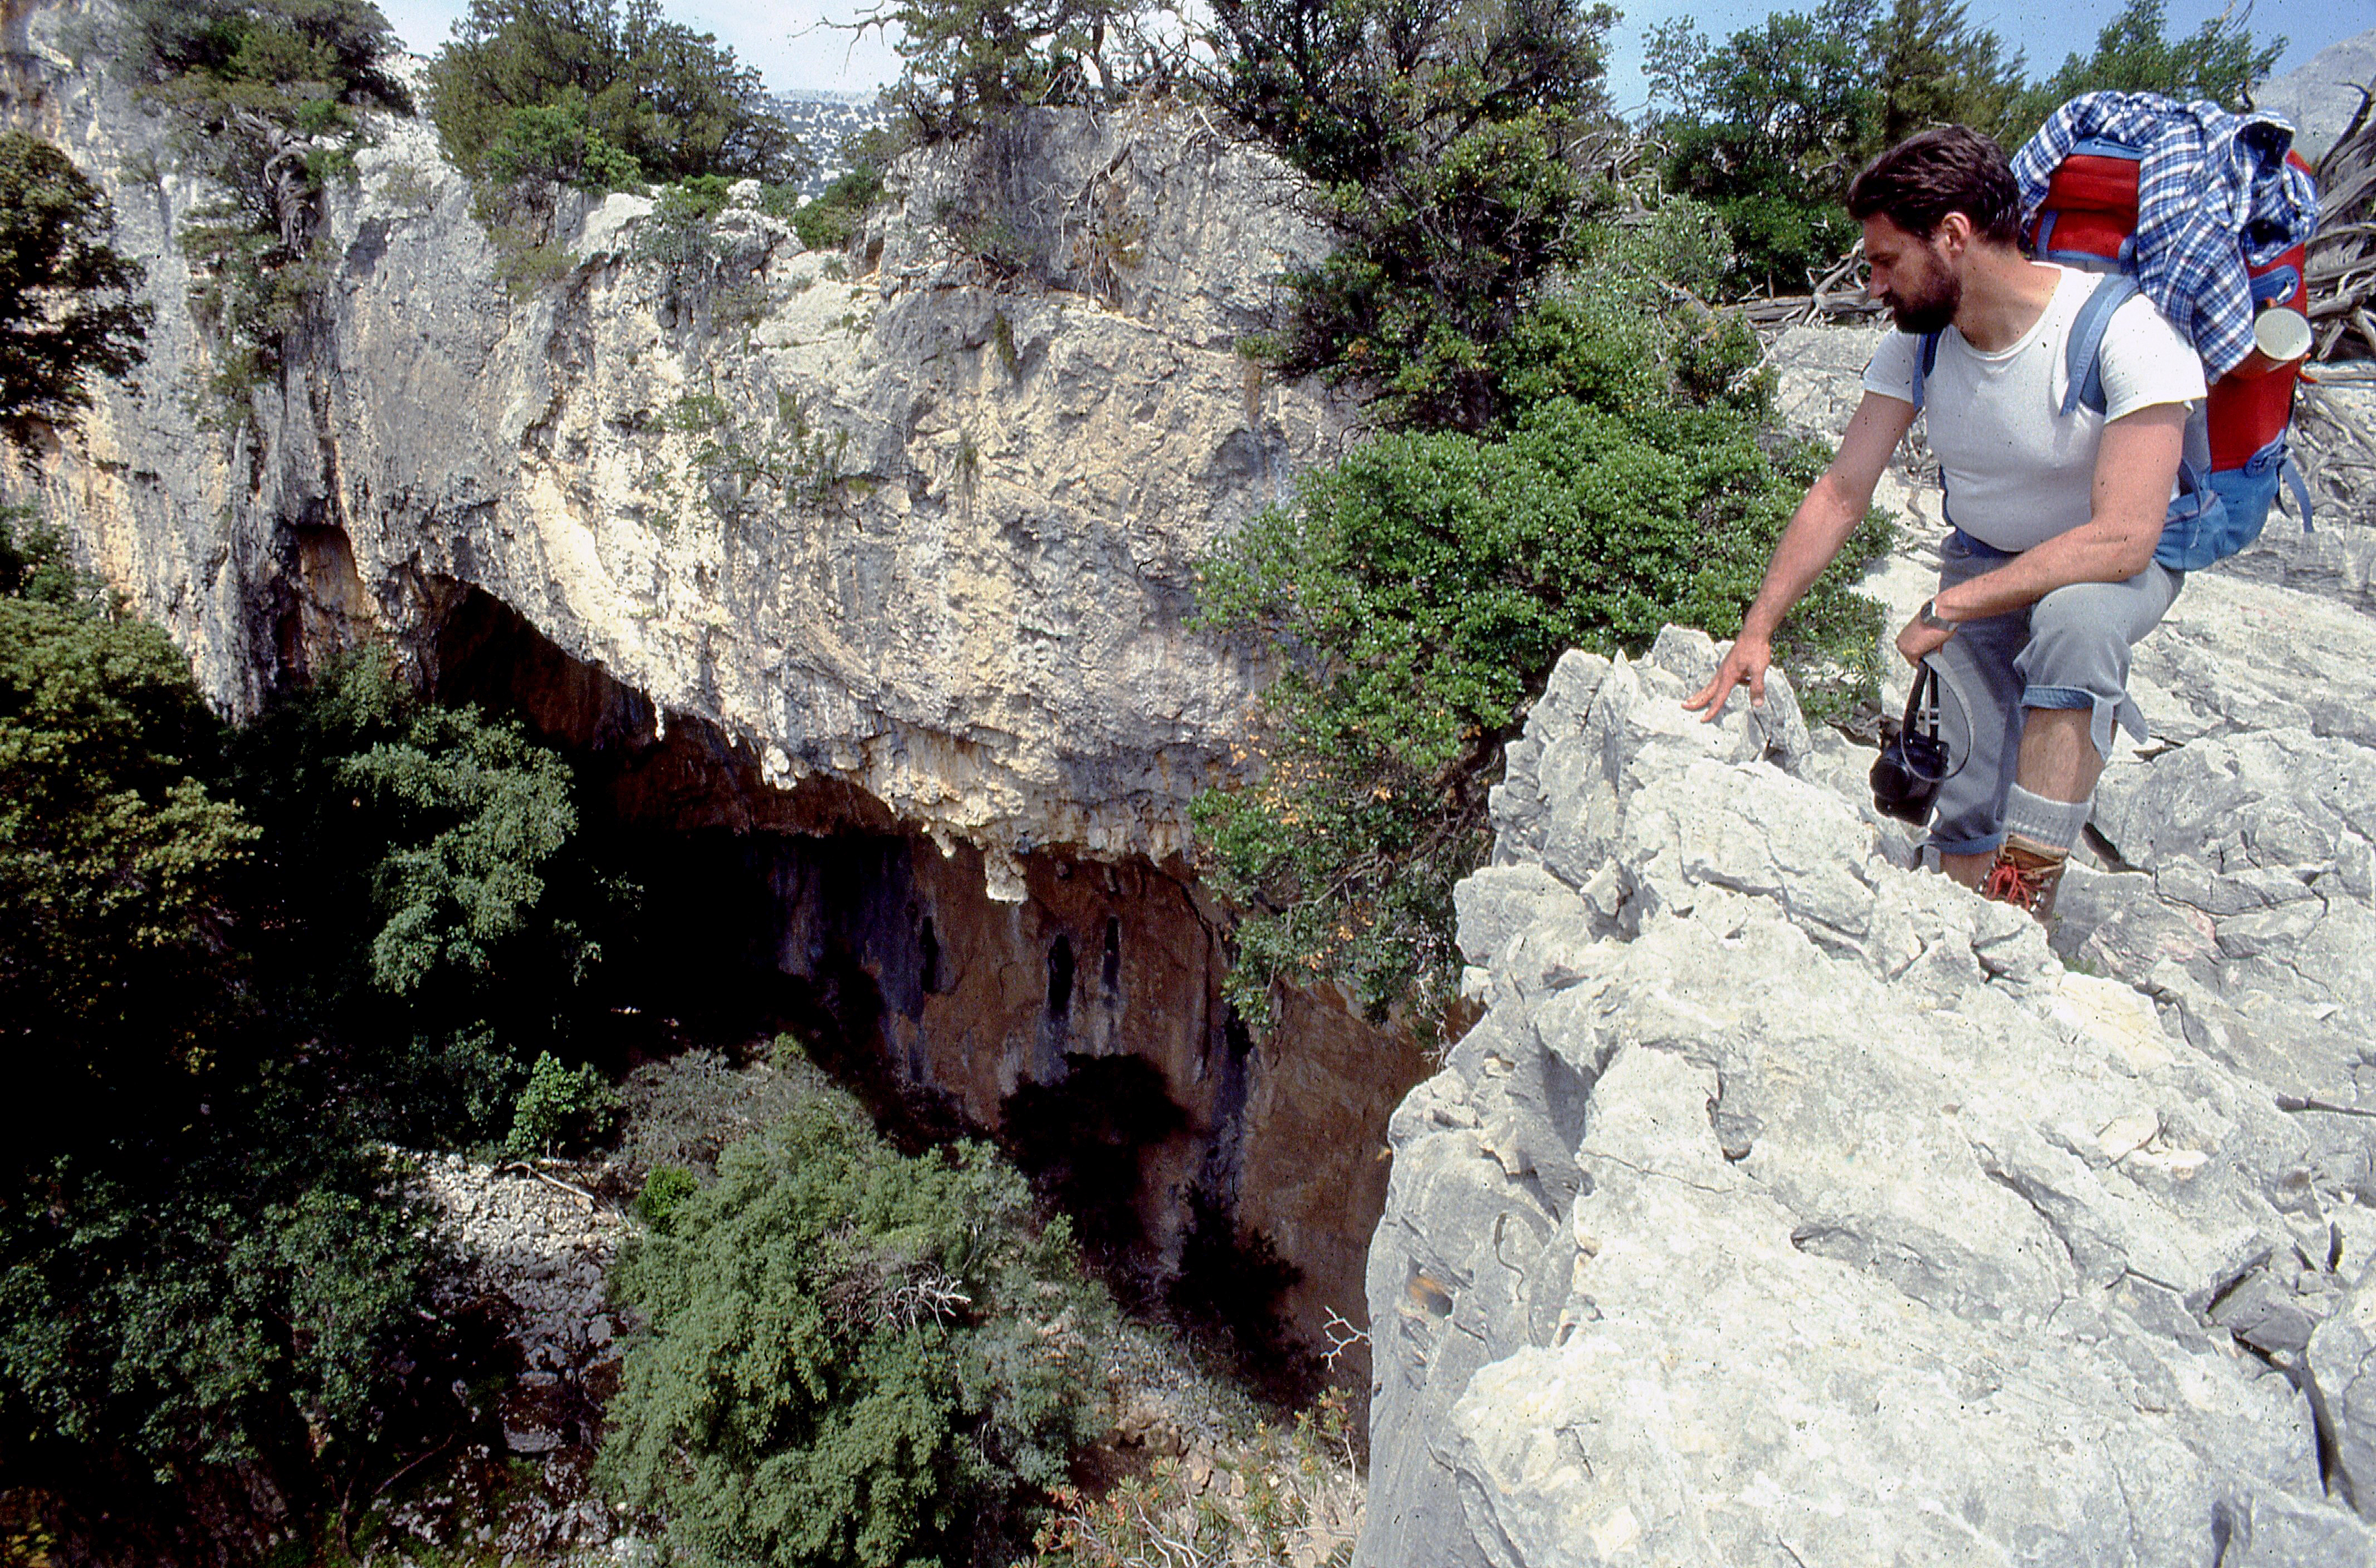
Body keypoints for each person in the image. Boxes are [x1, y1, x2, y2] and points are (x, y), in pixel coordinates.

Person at [1683, 125, 2205, 917]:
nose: (1873, 284)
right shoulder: (1921, 345)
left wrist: (1950, 606)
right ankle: (1964, 918)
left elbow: (2125, 537)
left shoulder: (2121, 333)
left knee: (2072, 624)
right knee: (1967, 773)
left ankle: (2021, 906)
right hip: (1985, 554)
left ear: (1953, 236)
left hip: (2109, 569)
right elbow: (1841, 490)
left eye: (1886, 260)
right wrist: (1756, 630)